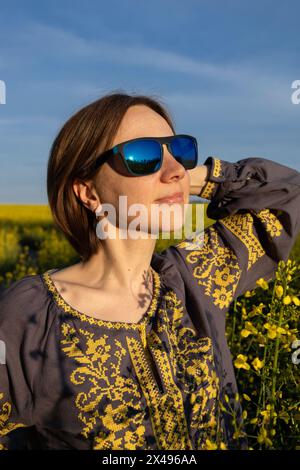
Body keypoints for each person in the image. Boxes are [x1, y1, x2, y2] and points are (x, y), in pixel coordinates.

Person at [0, 92, 300, 450]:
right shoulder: (27, 316)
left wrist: (185, 179)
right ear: (88, 193)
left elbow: (288, 195)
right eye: (143, 156)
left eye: (180, 151)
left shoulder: (195, 275)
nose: (174, 171)